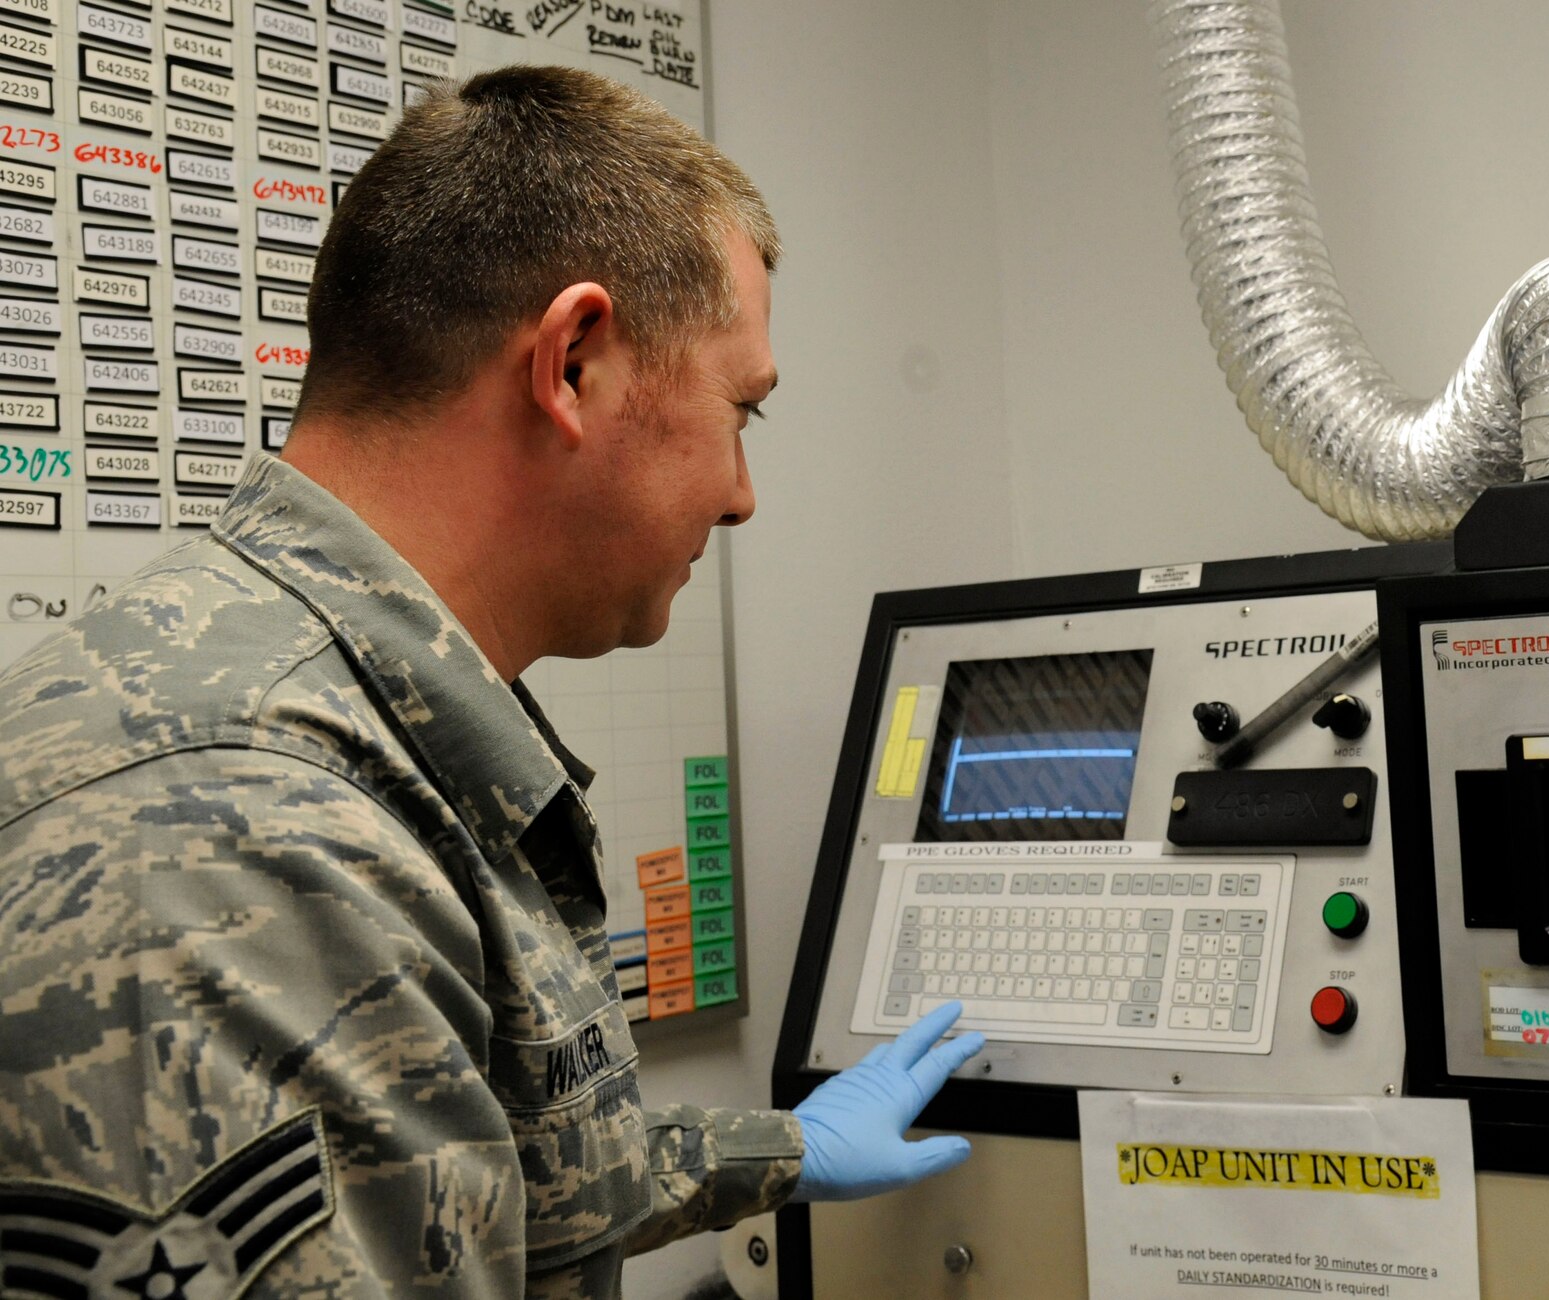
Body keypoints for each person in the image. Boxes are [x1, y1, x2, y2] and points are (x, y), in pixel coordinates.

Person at [0, 65, 983, 1298]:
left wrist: (774, 1150)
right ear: (574, 362)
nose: (742, 493)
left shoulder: (348, 721)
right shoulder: (240, 839)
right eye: (744, 412)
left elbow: (468, 1163)